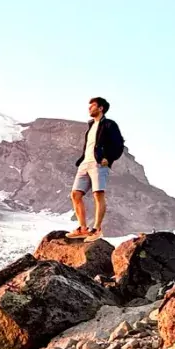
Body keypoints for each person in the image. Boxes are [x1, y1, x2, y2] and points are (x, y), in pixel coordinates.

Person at [66, 97, 124, 241]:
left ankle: (97, 229)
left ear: (100, 108)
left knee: (98, 194)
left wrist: (108, 158)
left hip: (98, 164)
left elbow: (119, 145)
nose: (89, 108)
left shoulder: (110, 124)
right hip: (85, 163)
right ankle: (83, 228)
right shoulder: (91, 125)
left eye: (92, 106)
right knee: (75, 194)